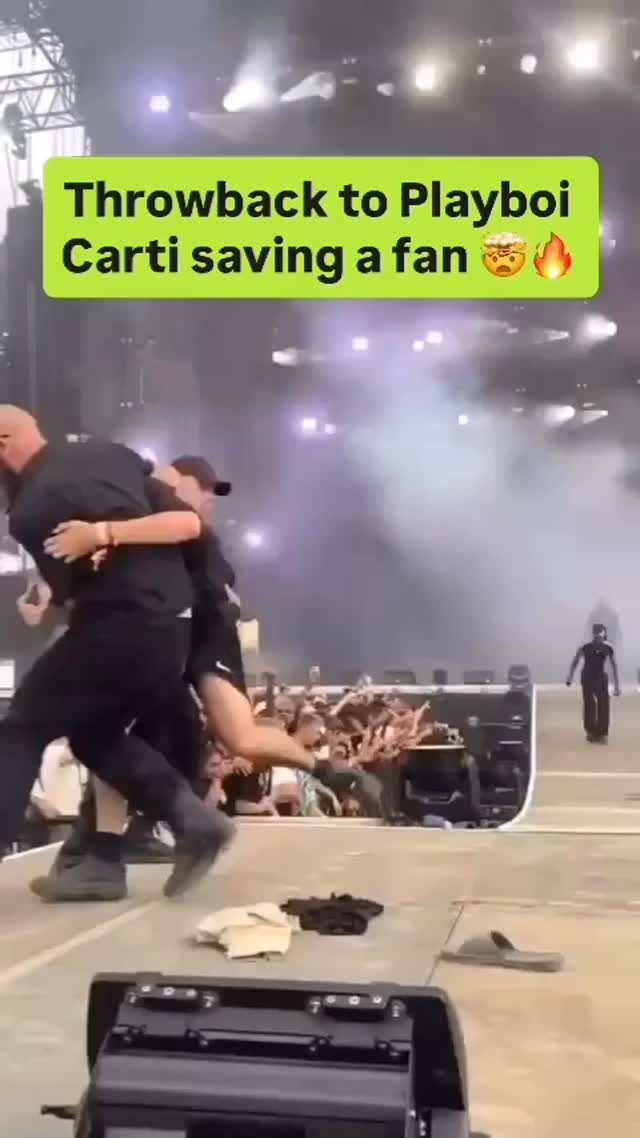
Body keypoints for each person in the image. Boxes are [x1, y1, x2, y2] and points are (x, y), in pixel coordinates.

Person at [30, 452, 317, 900]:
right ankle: (110, 847)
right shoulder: (153, 512)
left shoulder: (186, 531)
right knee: (122, 738)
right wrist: (50, 590)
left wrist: (100, 537)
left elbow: (169, 536)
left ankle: (112, 847)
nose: (210, 499)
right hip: (165, 638)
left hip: (200, 636)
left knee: (234, 738)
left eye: (212, 493)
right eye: (202, 489)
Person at [0, 405, 234, 898]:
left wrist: (102, 536)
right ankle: (189, 825)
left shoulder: (30, 510)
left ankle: (130, 845)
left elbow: (79, 590)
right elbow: (185, 520)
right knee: (95, 736)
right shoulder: (108, 453)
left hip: (121, 628)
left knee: (22, 725)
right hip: (171, 631)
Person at [566, 623, 620, 744]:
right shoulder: (585, 646)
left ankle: (602, 733)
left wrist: (617, 686)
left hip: (600, 676)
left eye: (601, 634)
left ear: (603, 634)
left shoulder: (608, 647)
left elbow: (614, 665)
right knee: (589, 704)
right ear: (594, 634)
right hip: (587, 676)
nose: (599, 636)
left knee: (604, 703)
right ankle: (591, 731)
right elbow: (575, 661)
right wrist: (570, 677)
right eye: (597, 634)